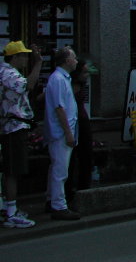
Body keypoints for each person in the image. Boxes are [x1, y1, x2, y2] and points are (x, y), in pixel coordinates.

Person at [0, 41, 42, 228]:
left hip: (13, 126)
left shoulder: (6, 72)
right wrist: (38, 63)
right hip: (12, 128)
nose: (26, 59)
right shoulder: (8, 73)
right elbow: (28, 85)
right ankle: (11, 212)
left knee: (11, 169)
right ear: (14, 57)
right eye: (23, 55)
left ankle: (7, 208)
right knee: (13, 170)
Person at [44, 46, 80, 220]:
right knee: (60, 170)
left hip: (63, 131)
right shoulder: (58, 79)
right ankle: (59, 206)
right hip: (60, 133)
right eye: (74, 57)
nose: (76, 61)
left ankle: (51, 199)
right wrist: (68, 133)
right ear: (67, 60)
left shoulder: (62, 78)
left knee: (56, 168)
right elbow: (59, 108)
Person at [66, 59, 94, 198]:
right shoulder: (67, 85)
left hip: (83, 121)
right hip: (72, 122)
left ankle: (84, 187)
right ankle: (69, 189)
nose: (87, 75)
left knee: (86, 155)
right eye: (84, 72)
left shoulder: (82, 85)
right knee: (70, 158)